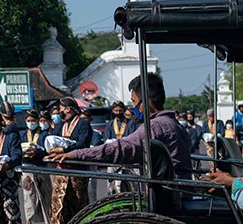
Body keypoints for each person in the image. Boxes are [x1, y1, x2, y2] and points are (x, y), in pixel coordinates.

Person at [50, 73, 193, 179]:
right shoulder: (173, 123)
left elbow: (120, 149)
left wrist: (76, 154)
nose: (133, 107)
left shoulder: (154, 127)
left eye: (134, 102)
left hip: (170, 194)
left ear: (147, 102)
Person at [47, 97, 93, 224]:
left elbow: (83, 144)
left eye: (61, 109)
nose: (59, 112)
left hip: (77, 170)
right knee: (59, 205)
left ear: (68, 109)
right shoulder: (60, 125)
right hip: (61, 170)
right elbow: (53, 139)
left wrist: (64, 149)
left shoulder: (83, 124)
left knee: (78, 203)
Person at [19, 109, 52, 224]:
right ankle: (29, 221)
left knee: (45, 193)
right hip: (26, 166)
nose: (31, 123)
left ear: (37, 121)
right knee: (28, 194)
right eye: (28, 121)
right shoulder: (22, 135)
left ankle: (48, 220)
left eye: (33, 120)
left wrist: (37, 151)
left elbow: (47, 150)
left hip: (41, 166)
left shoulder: (44, 135)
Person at [103, 101, 137, 195]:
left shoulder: (131, 123)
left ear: (124, 110)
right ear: (113, 111)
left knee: (129, 181)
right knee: (111, 181)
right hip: (113, 156)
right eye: (116, 110)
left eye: (120, 110)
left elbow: (132, 138)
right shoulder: (110, 124)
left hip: (127, 156)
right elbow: (106, 139)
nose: (118, 112)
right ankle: (111, 196)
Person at [79, 110, 105, 204]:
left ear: (90, 119)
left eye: (85, 118)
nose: (83, 121)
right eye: (81, 119)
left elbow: (95, 148)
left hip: (90, 163)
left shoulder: (95, 133)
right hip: (79, 163)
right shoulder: (78, 133)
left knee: (91, 189)